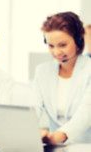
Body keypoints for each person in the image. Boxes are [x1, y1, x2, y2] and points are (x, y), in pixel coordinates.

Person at [32, 11, 91, 145]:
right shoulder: (42, 71)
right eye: (51, 46)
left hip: (85, 146)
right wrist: (32, 131)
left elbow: (86, 114)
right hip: (54, 147)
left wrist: (57, 136)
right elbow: (34, 109)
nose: (56, 52)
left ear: (78, 41)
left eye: (62, 45)